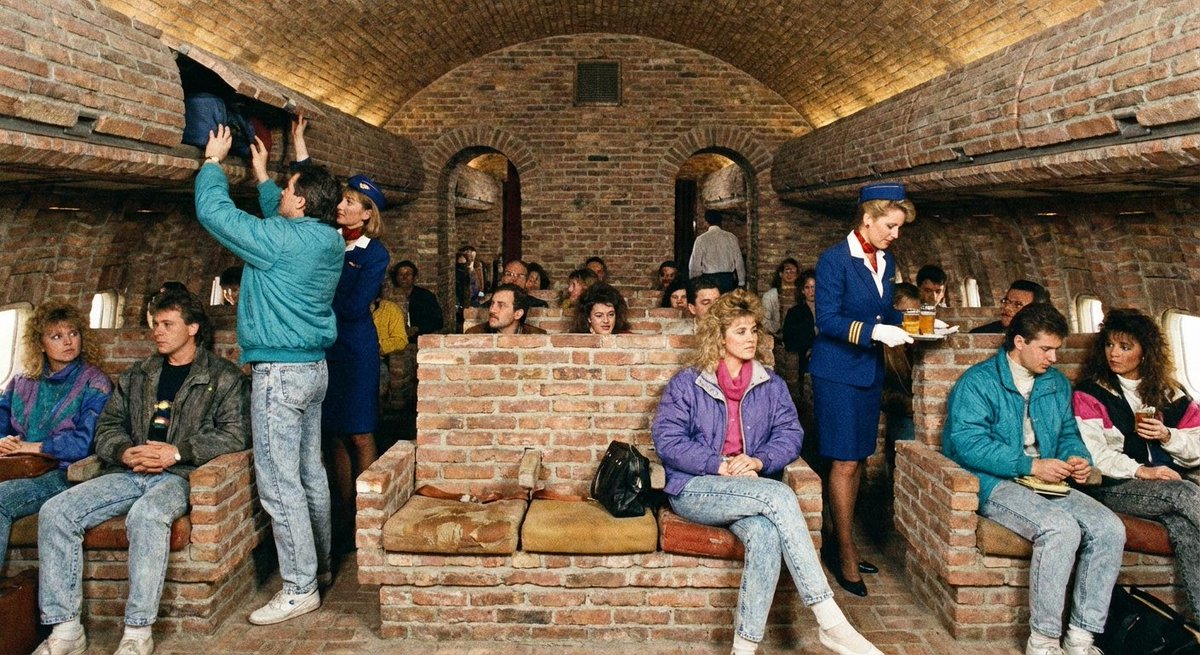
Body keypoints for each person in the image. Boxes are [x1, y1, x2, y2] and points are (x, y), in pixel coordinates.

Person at [651, 290, 883, 655]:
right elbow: (667, 440)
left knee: (764, 536)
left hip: (749, 488)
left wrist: (758, 460)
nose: (751, 338)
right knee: (781, 496)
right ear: (719, 336)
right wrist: (720, 464)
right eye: (740, 331)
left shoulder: (770, 384)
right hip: (696, 489)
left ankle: (743, 649)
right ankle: (830, 619)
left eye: (754, 330)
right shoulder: (688, 383)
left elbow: (791, 434)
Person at [34, 291, 248, 655]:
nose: (158, 333)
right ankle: (66, 629)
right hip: (129, 470)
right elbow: (108, 427)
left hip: (180, 475)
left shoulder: (222, 377)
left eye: (168, 324)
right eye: (155, 325)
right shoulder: (137, 374)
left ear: (193, 328)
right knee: (56, 512)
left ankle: (137, 632)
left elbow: (235, 433)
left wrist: (176, 452)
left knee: (147, 516)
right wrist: (123, 450)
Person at [195, 124, 344, 625]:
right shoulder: (325, 238)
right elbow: (275, 228)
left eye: (287, 190)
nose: (282, 193)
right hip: (314, 371)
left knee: (278, 485)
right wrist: (262, 176)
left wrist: (213, 164)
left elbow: (215, 214)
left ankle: (300, 587)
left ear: (300, 204)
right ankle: (320, 568)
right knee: (309, 475)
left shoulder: (283, 240)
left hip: (279, 374)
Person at [944, 303, 1124, 655]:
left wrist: (1078, 458)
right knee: (1060, 529)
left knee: (1110, 528)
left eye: (1057, 348)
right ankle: (1042, 642)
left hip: (1048, 479)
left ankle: (1081, 638)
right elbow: (967, 445)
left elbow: (1070, 432)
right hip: (994, 481)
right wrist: (1029, 465)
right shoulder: (977, 382)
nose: (1054, 357)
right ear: (1019, 342)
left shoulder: (1055, 383)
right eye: (1046, 349)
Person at [808, 182, 915, 597]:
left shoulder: (885, 262)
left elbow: (883, 310)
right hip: (836, 373)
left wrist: (916, 322)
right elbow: (829, 321)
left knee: (859, 461)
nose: (895, 234)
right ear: (867, 220)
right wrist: (877, 332)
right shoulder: (835, 260)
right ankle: (845, 550)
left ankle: (841, 539)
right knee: (845, 463)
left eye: (899, 227)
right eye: (890, 225)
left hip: (867, 372)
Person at [292, 117, 392, 558]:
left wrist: (310, 302)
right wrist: (298, 143)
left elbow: (354, 307)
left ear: (368, 213)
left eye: (352, 203)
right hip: (324, 347)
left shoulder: (374, 253)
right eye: (343, 201)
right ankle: (343, 512)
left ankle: (370, 513)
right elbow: (309, 191)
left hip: (354, 350)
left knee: (360, 433)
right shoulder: (326, 236)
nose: (342, 207)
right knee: (331, 434)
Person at [1073, 308, 1200, 619]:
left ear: (1145, 353)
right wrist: (1142, 470)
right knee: (1184, 493)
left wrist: (1168, 436)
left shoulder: (1173, 393)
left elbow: (1197, 446)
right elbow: (1096, 456)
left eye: (1125, 347)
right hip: (1113, 486)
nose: (1114, 354)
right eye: (1110, 345)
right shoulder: (1090, 393)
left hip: (1165, 485)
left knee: (1184, 528)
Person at [0, 301, 112, 567]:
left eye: (73, 333)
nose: (68, 342)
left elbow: (85, 443)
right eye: (56, 336)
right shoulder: (21, 381)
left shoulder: (95, 382)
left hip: (63, 474)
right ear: (40, 344)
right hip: (14, 466)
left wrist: (33, 447)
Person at [882, 283, 920, 468]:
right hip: (897, 409)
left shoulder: (917, 342)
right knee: (909, 436)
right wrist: (909, 405)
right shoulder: (883, 344)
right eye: (906, 312)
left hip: (917, 410)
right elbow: (881, 391)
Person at [688, 210, 745, 293]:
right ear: (720, 221)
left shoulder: (701, 239)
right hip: (727, 279)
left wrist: (694, 281)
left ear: (706, 222)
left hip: (709, 279)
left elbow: (695, 264)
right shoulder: (731, 237)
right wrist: (741, 282)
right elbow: (739, 261)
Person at [970, 279, 1050, 333]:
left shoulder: (1045, 334)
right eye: (1006, 301)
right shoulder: (981, 333)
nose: (1007, 307)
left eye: (1018, 304)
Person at [390, 260, 444, 338]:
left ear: (414, 277)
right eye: (401, 274)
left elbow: (438, 322)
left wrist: (418, 328)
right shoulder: (390, 297)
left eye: (408, 274)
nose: (404, 278)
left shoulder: (426, 296)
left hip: (419, 339)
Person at [465, 284, 546, 335]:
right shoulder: (475, 334)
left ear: (518, 314)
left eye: (501, 305)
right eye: (492, 303)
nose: (492, 310)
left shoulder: (537, 336)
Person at [761, 258, 800, 337]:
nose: (789, 275)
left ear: (797, 275)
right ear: (780, 274)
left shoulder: (801, 294)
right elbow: (764, 321)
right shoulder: (769, 296)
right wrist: (777, 330)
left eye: (792, 272)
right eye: (786, 271)